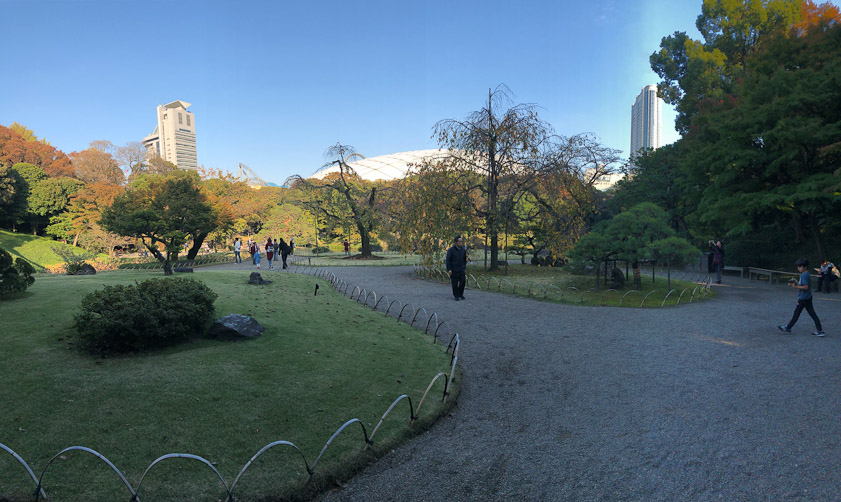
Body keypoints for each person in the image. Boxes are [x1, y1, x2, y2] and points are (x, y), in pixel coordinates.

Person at [778, 258, 824, 336]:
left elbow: (805, 287)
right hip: (807, 297)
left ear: (805, 267)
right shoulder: (806, 274)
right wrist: (795, 284)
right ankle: (820, 330)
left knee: (797, 313)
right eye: (798, 267)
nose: (799, 268)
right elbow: (804, 285)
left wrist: (795, 286)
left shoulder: (804, 275)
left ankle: (788, 327)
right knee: (811, 313)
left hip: (803, 298)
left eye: (800, 267)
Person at [445, 236, 468, 301]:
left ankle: (461, 294)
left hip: (461, 269)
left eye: (461, 241)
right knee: (455, 284)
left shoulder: (463, 250)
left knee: (462, 283)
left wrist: (464, 267)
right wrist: (449, 269)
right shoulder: (451, 250)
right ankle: (456, 295)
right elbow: (448, 260)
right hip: (454, 269)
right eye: (460, 241)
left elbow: (464, 259)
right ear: (456, 242)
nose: (461, 243)